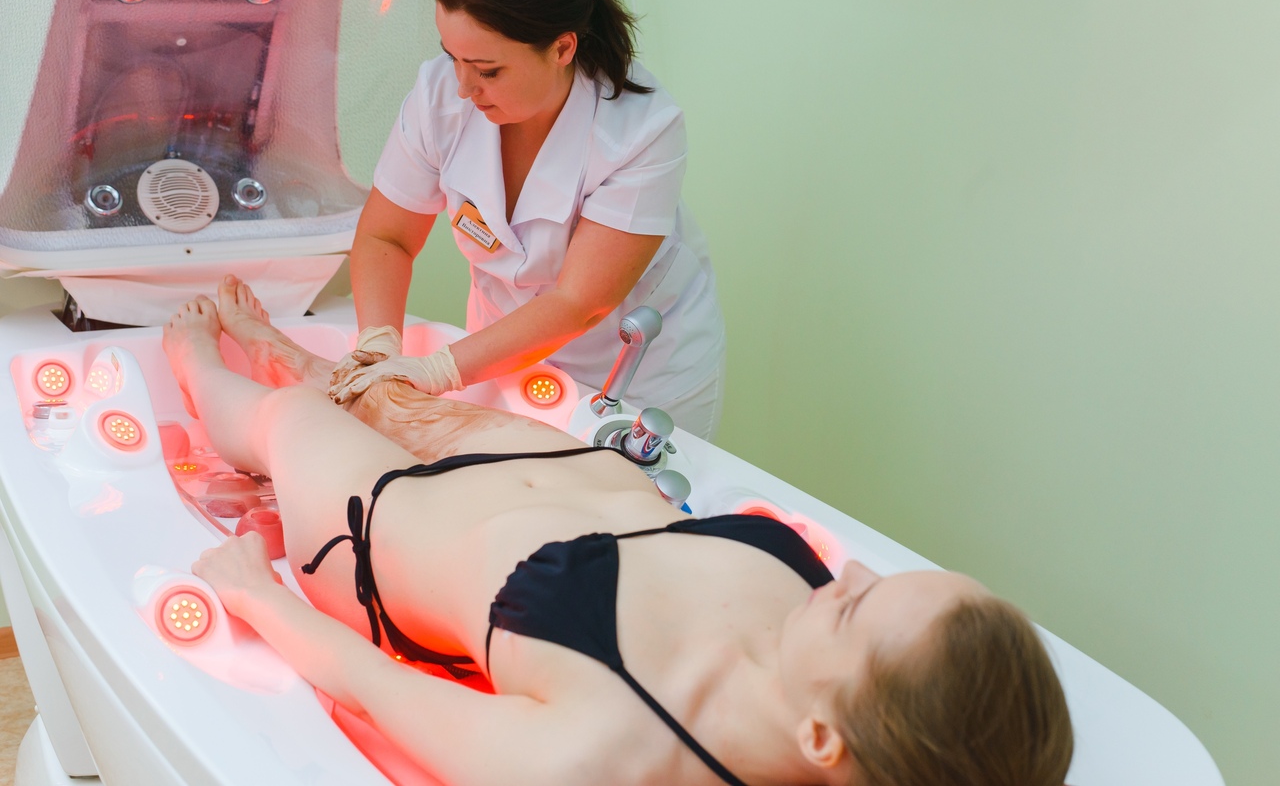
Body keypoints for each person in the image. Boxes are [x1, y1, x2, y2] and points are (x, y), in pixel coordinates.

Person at [167, 281, 1074, 786]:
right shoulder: (826, 646)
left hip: (381, 532)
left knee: (287, 418)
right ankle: (289, 348)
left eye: (854, 608)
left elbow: (376, 689)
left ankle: (197, 361)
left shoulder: (607, 754)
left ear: (823, 738)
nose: (855, 571)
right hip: (557, 474)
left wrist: (253, 589)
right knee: (385, 395)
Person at [332, 0, 727, 440]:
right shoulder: (441, 98)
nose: (463, 87)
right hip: (497, 353)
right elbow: (387, 237)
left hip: (632, 375)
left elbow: (578, 302)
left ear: (562, 48)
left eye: (488, 70)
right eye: (452, 57)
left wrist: (438, 369)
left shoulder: (642, 132)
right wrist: (378, 345)